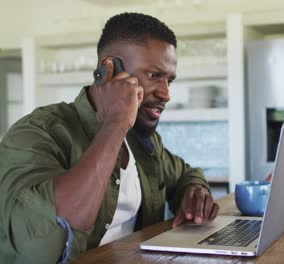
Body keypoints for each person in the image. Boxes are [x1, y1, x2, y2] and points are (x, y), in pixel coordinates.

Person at [0, 13, 219, 263]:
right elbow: (41, 241)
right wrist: (115, 124)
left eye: (170, 80)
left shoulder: (142, 140)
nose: (166, 93)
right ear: (109, 69)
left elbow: (184, 173)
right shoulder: (38, 133)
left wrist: (195, 190)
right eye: (153, 76)